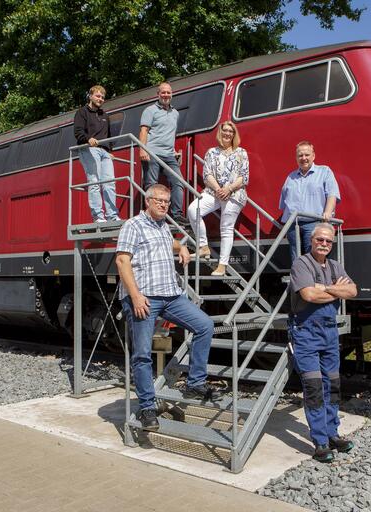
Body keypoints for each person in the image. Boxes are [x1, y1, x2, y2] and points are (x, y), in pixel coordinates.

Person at [116, 184, 219, 431]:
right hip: (145, 298)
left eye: (167, 202)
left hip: (171, 296)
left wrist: (181, 246)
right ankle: (147, 408)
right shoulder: (133, 225)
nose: (164, 205)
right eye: (159, 201)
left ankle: (195, 383)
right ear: (148, 201)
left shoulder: (162, 226)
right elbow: (122, 260)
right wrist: (136, 296)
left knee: (205, 325)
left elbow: (167, 242)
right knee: (142, 354)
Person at [289, 223, 357, 463]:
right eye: (320, 239)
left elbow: (353, 291)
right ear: (312, 240)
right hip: (306, 333)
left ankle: (332, 434)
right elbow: (308, 295)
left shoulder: (336, 265)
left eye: (328, 241)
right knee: (315, 388)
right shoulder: (301, 264)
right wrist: (337, 289)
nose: (324, 244)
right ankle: (319, 442)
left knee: (333, 385)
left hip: (329, 334)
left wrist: (326, 288)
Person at [187, 121, 249, 276]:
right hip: (214, 191)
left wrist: (228, 188)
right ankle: (203, 246)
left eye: (230, 131)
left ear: (234, 134)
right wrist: (219, 189)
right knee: (193, 210)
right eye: (225, 131)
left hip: (235, 193)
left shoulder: (241, 152)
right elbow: (207, 175)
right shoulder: (211, 153)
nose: (227, 133)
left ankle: (222, 265)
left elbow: (244, 177)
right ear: (220, 133)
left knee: (226, 228)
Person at [279, 141, 341, 261]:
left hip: (314, 223)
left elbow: (332, 194)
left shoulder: (324, 171)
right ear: (296, 158)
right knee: (295, 258)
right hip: (293, 224)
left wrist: (328, 212)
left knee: (314, 257)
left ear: (313, 156)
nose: (304, 158)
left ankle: (313, 280)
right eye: (300, 155)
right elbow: (284, 203)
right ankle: (299, 279)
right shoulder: (290, 177)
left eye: (307, 155)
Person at [139, 82, 187, 225]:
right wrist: (142, 149)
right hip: (152, 152)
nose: (166, 95)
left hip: (168, 155)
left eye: (168, 92)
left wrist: (172, 150)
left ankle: (176, 215)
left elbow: (169, 133)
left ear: (171, 94)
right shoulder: (150, 110)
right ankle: (151, 216)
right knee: (152, 185)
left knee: (179, 183)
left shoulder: (175, 113)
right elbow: (144, 131)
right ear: (158, 94)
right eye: (163, 92)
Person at [73, 85, 120, 223]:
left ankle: (112, 216)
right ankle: (98, 216)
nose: (100, 99)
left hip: (104, 152)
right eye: (98, 96)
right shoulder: (82, 112)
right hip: (89, 149)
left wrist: (109, 151)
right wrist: (88, 139)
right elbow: (78, 132)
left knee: (109, 183)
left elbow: (108, 135)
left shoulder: (105, 115)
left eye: (103, 97)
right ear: (91, 96)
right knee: (94, 182)